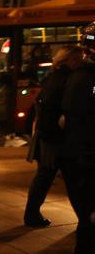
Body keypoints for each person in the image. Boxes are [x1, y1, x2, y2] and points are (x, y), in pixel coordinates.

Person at [23, 45, 84, 227]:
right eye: (78, 59)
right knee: (70, 179)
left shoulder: (52, 77)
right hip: (59, 138)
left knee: (45, 176)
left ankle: (31, 214)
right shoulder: (70, 79)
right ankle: (84, 220)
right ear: (70, 60)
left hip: (47, 135)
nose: (81, 62)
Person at [58, 24, 95, 254]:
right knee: (89, 219)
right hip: (85, 162)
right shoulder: (84, 79)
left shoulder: (84, 77)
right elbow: (78, 125)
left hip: (83, 160)